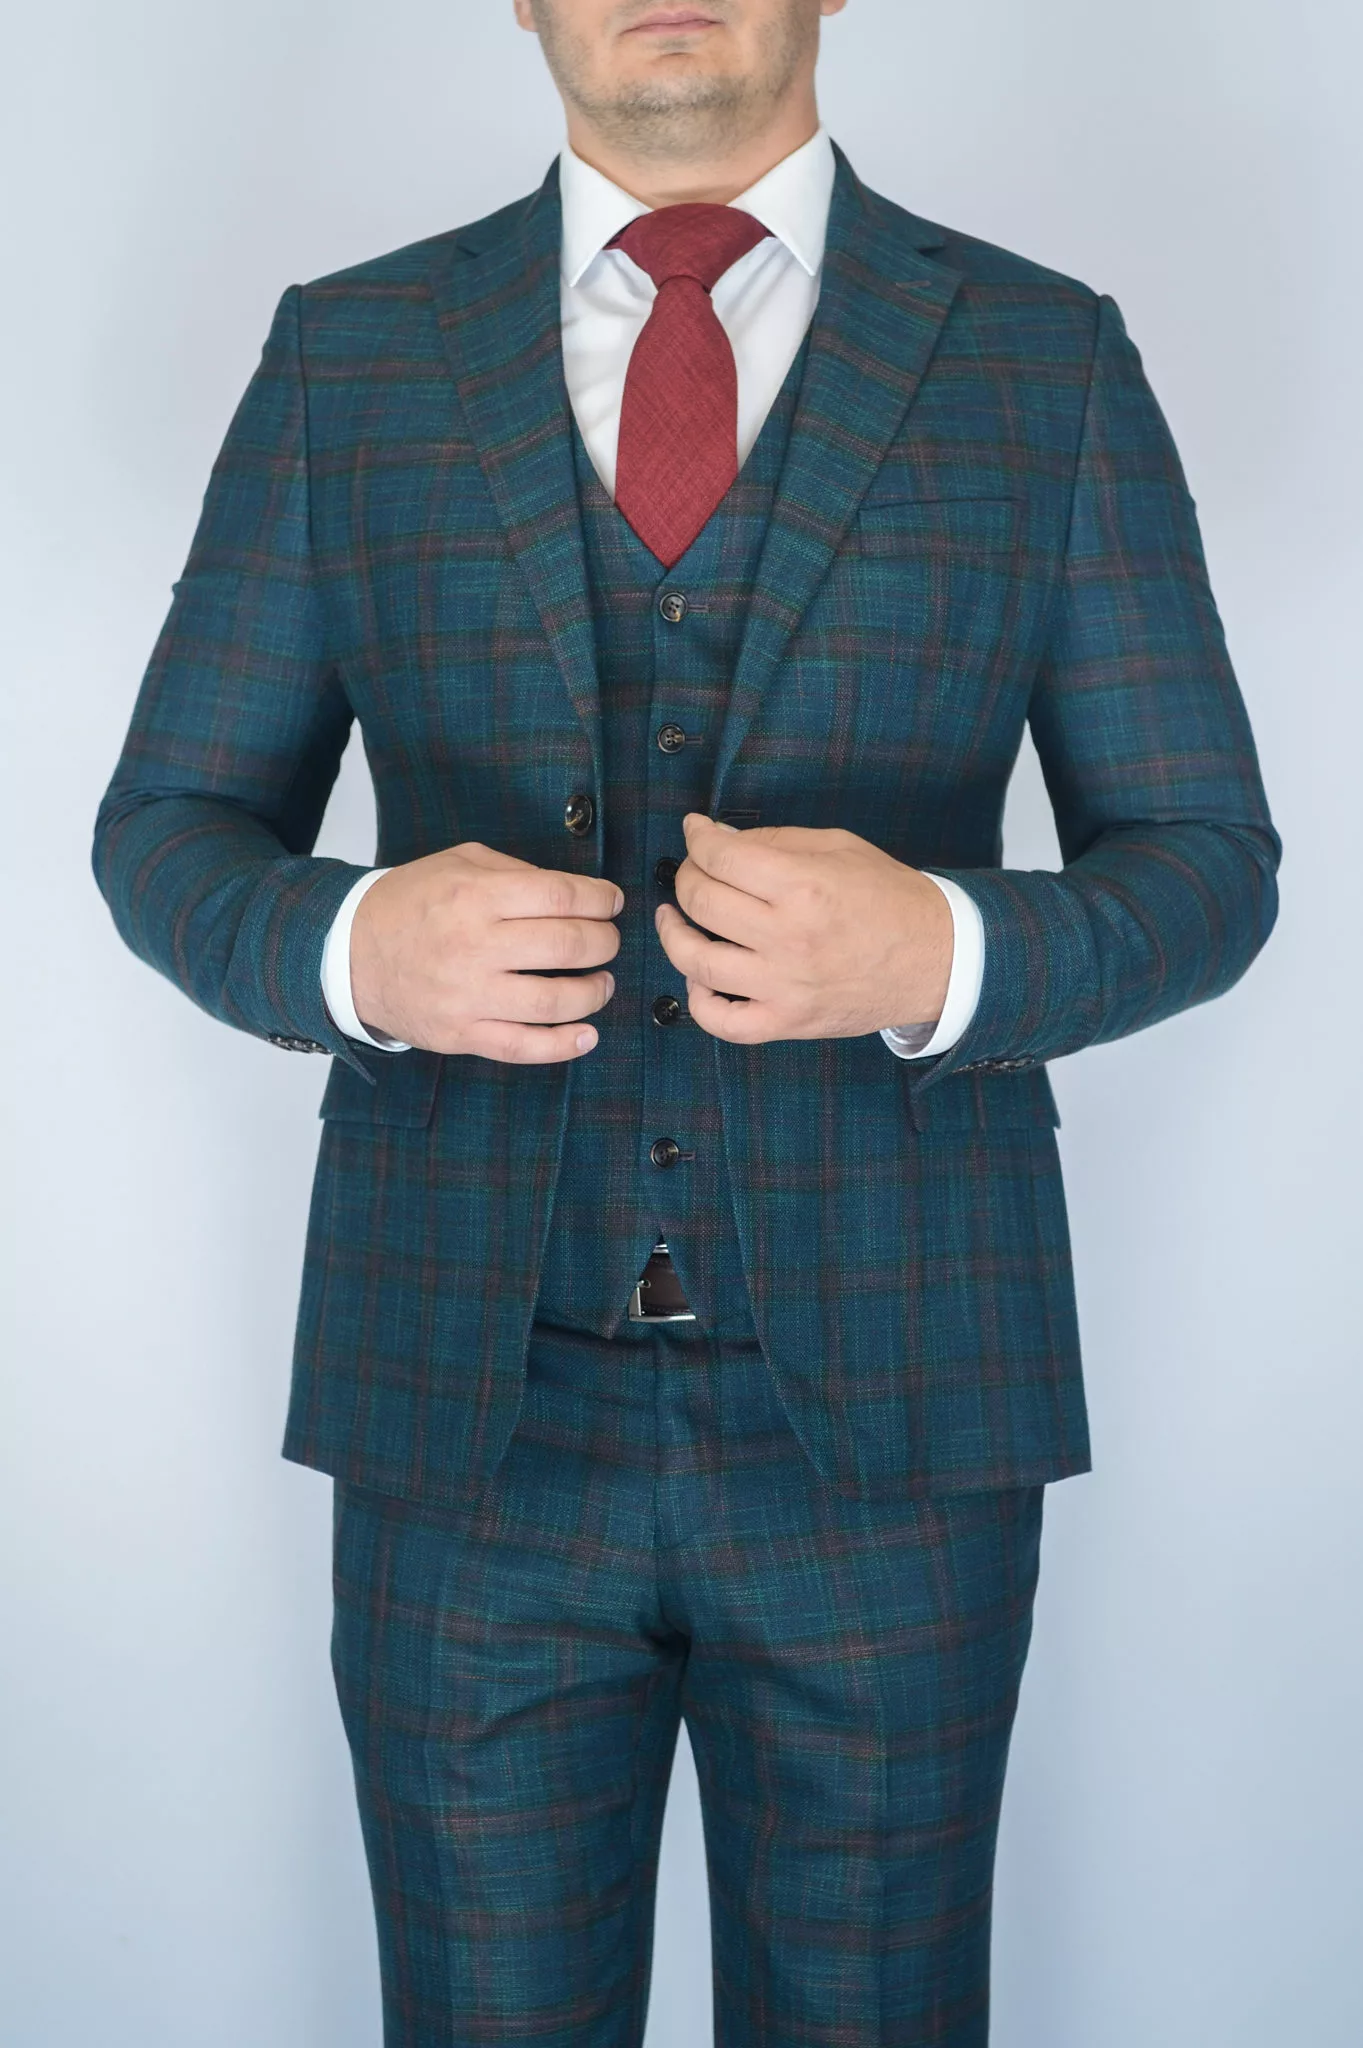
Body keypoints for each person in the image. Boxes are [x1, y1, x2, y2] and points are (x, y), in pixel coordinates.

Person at [93, 2, 1280, 2040]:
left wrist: (943, 954)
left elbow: (1205, 861)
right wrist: (354, 947)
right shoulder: (350, 354)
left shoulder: (1040, 357)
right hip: (463, 1417)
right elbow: (169, 826)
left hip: (900, 1423)